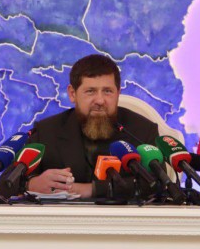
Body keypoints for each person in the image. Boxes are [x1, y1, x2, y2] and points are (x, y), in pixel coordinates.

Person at [28, 54, 159, 198]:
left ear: (118, 93)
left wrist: (92, 189)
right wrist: (31, 183)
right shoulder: (46, 131)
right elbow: (11, 181)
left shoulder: (143, 131)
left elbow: (157, 185)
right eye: (90, 91)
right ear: (72, 94)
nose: (100, 100)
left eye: (107, 91)